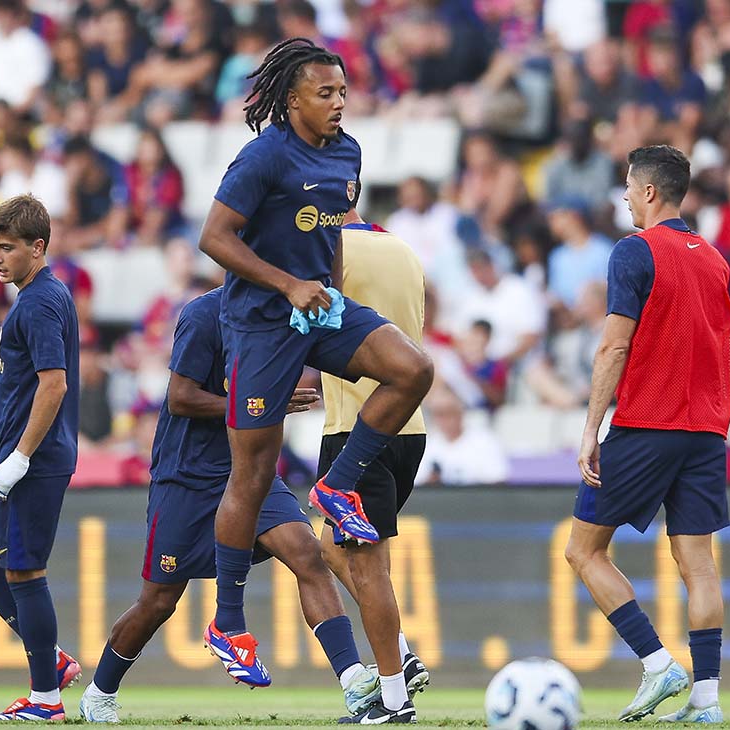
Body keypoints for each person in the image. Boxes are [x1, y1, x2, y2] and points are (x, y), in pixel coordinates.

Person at [196, 37, 432, 724]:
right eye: (325, 93)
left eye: (342, 93)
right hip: (260, 324)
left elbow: (328, 228)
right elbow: (214, 237)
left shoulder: (348, 152)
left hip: (317, 309)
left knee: (412, 367)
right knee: (253, 473)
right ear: (292, 98)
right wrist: (287, 283)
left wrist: (325, 289)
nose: (338, 103)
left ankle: (337, 482)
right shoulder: (264, 156)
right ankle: (228, 622)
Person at [78, 287, 381, 723]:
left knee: (308, 554)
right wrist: (260, 407)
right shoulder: (204, 315)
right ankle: (101, 691)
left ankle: (354, 681)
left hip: (251, 468)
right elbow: (181, 397)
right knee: (159, 601)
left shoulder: (285, 312)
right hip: (187, 475)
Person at [567, 145, 730, 723]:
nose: (623, 197)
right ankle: (708, 701)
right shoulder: (714, 259)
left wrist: (591, 427)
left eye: (627, 187)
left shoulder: (634, 251)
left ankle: (657, 662)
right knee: (700, 564)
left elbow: (615, 344)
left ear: (648, 193)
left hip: (648, 423)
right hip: (706, 429)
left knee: (583, 550)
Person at [0, 195, 81, 722]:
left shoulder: (37, 303)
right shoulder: (40, 295)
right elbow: (31, 385)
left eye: (6, 247)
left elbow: (54, 385)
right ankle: (49, 658)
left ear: (38, 247)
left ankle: (46, 699)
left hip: (36, 459)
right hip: (16, 448)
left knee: (25, 574)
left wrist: (21, 454)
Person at [318, 201, 432, 724]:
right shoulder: (405, 252)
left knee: (366, 568)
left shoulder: (330, 252)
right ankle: (401, 652)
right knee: (336, 550)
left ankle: (391, 699)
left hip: (358, 426)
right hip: (411, 430)